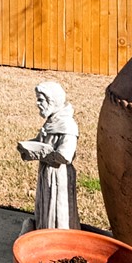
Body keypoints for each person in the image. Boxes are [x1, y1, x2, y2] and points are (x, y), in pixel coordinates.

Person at [16, 80, 78, 232]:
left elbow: (65, 155)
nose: (38, 103)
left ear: (53, 100)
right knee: (45, 205)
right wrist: (27, 147)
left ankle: (57, 239)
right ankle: (43, 232)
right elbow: (40, 141)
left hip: (59, 175)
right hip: (47, 172)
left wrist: (40, 152)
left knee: (57, 209)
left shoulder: (67, 125)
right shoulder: (51, 121)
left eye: (41, 99)